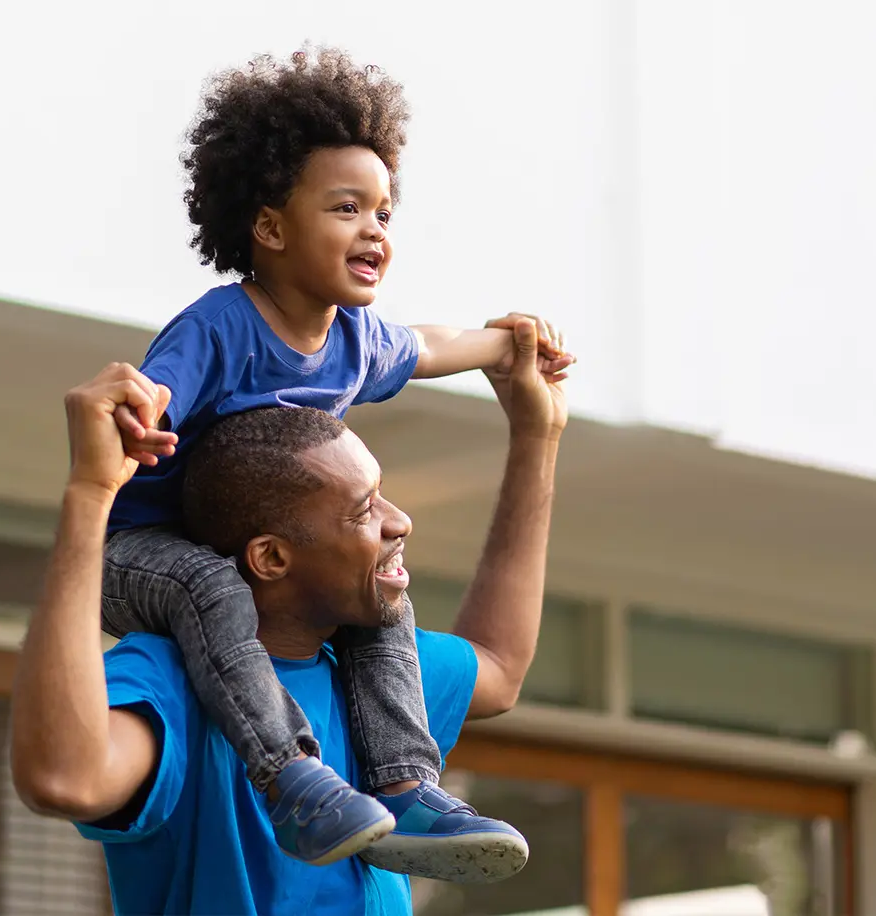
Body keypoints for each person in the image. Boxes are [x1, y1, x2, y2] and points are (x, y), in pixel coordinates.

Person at [92, 46, 574, 880]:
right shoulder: (221, 327)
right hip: (146, 552)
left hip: (241, 557)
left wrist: (511, 344)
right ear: (271, 227)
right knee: (212, 590)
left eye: (384, 213)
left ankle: (404, 782)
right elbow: (157, 391)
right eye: (347, 208)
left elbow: (429, 344)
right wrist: (136, 419)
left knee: (383, 592)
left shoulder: (354, 341)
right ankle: (289, 780)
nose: (374, 230)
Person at [10, 315, 567, 915]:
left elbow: (500, 665)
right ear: (271, 558)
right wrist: (90, 493)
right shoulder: (167, 678)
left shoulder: (377, 678)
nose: (400, 521)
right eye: (363, 511)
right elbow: (63, 778)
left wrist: (538, 435)